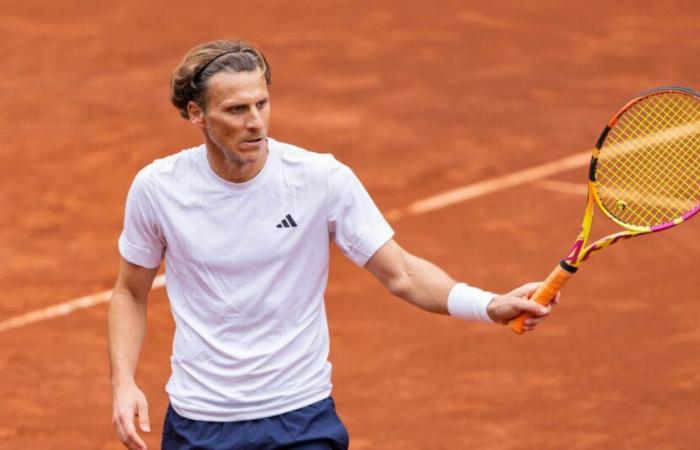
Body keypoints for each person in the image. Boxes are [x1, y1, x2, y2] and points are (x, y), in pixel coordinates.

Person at [108, 38, 557, 450]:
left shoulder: (319, 178)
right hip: (201, 420)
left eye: (263, 103)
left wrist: (487, 305)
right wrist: (123, 382)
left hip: (301, 416)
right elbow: (130, 291)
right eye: (237, 109)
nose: (256, 122)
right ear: (195, 114)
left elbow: (401, 272)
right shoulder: (158, 188)